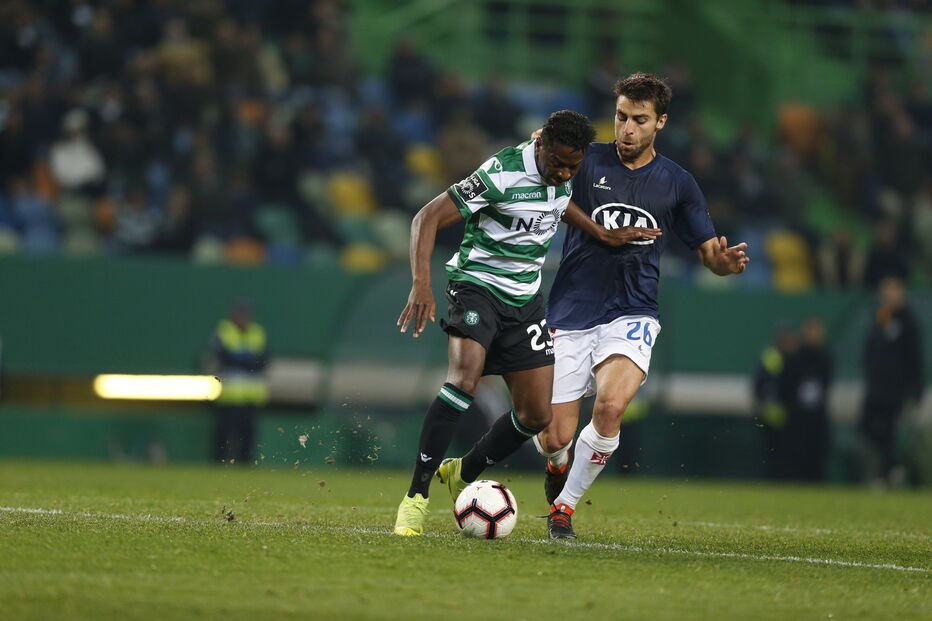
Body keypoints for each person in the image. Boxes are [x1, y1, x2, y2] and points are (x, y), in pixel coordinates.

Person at [392, 110, 650, 536]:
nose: (564, 173)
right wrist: (421, 283)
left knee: (536, 416)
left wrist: (599, 232)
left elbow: (559, 203)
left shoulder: (563, 168)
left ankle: (463, 471)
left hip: (525, 300)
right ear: (540, 145)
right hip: (476, 285)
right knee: (464, 381)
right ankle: (415, 498)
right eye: (558, 163)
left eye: (572, 166)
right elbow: (426, 217)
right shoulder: (501, 172)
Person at [533, 73, 749, 538]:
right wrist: (541, 147)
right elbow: (544, 174)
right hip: (571, 310)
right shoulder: (586, 159)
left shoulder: (678, 183)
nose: (627, 129)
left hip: (633, 310)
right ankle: (557, 464)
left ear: (661, 122)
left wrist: (724, 264)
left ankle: (563, 509)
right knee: (553, 436)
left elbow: (709, 255)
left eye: (639, 120)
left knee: (611, 407)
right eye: (621, 117)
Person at [860, 276, 924, 487]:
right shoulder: (881, 317)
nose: (889, 296)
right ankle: (893, 466)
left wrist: (915, 390)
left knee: (888, 431)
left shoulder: (908, 321)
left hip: (896, 388)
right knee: (867, 427)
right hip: (876, 386)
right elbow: (872, 347)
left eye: (893, 291)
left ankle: (887, 473)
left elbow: (914, 358)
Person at [206, 299, 269, 464]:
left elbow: (263, 361)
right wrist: (248, 360)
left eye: (244, 314)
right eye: (239, 314)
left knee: (248, 437)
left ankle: (244, 466)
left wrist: (238, 358)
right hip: (229, 397)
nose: (242, 317)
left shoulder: (257, 332)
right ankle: (218, 465)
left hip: (251, 397)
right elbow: (223, 357)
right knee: (223, 435)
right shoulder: (224, 331)